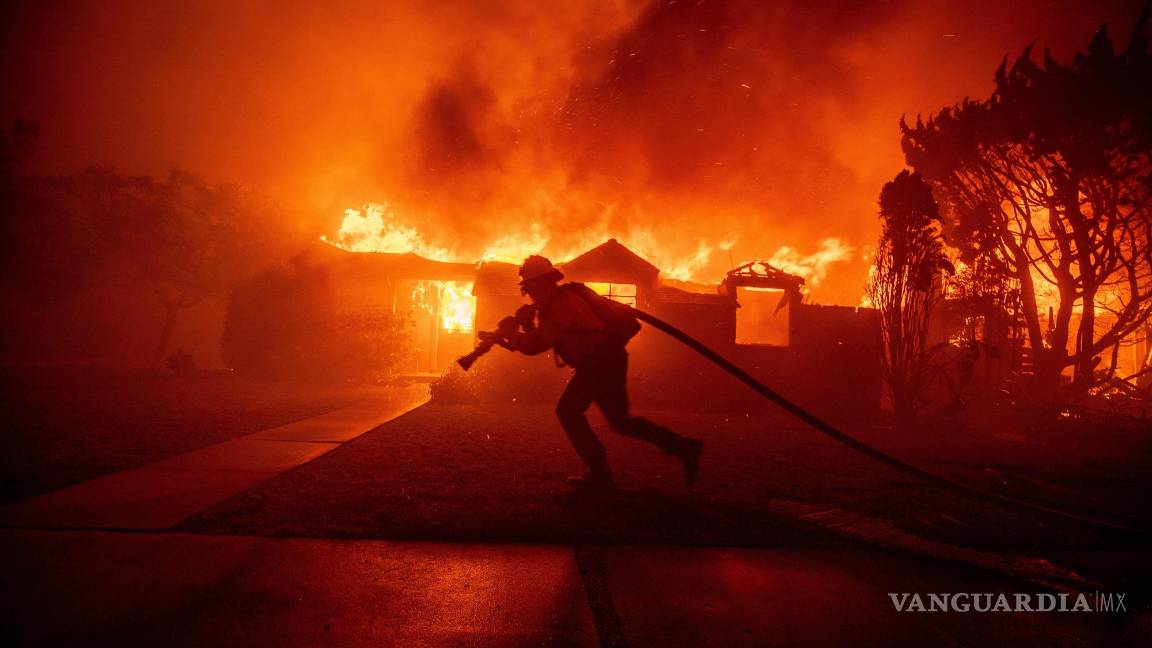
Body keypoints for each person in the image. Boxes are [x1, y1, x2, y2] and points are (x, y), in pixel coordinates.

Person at [503, 255, 703, 492]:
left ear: (546, 281)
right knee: (619, 422)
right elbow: (544, 338)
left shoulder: (562, 304)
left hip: (601, 364)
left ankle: (601, 474)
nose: (530, 292)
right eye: (527, 287)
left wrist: (512, 334)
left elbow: (537, 344)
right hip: (601, 363)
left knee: (570, 412)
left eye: (532, 285)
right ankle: (683, 448)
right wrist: (526, 327)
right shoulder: (554, 304)